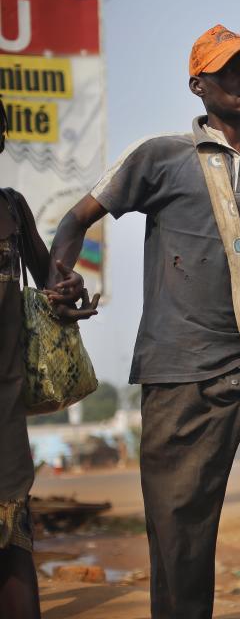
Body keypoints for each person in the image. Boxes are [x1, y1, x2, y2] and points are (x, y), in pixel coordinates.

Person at [47, 25, 240, 619]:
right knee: (181, 544)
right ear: (198, 85)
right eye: (231, 69)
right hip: (180, 375)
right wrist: (61, 279)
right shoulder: (162, 157)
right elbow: (76, 220)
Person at [0, 96, 97, 619]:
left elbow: (52, 280)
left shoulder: (12, 208)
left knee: (13, 530)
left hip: (5, 402)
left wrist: (68, 288)